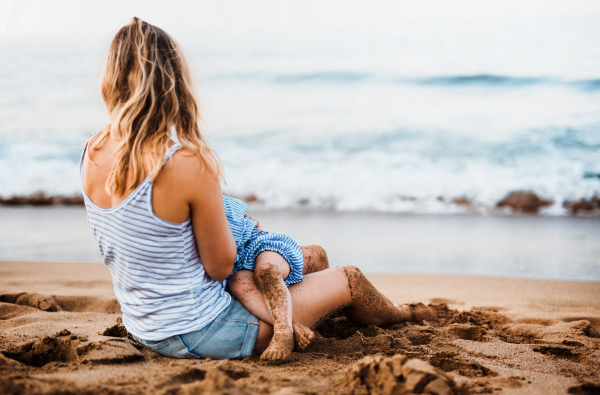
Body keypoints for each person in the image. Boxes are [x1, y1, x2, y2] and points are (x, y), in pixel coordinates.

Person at [81, 17, 437, 363]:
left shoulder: (92, 150)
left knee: (313, 255)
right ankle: (400, 315)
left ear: (112, 79)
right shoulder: (186, 162)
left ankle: (315, 317)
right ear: (172, 82)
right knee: (350, 278)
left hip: (145, 324)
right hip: (204, 329)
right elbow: (221, 266)